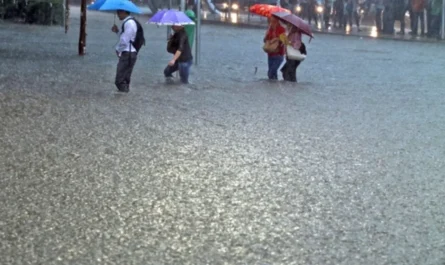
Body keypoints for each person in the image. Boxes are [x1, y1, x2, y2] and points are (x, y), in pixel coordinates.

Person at [111, 10, 138, 93]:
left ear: (124, 12)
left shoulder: (129, 23)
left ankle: (122, 100)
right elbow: (126, 37)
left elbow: (124, 40)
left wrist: (118, 49)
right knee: (125, 80)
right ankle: (125, 99)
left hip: (127, 53)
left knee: (119, 81)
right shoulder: (129, 22)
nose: (118, 15)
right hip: (130, 53)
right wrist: (117, 31)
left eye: (119, 13)